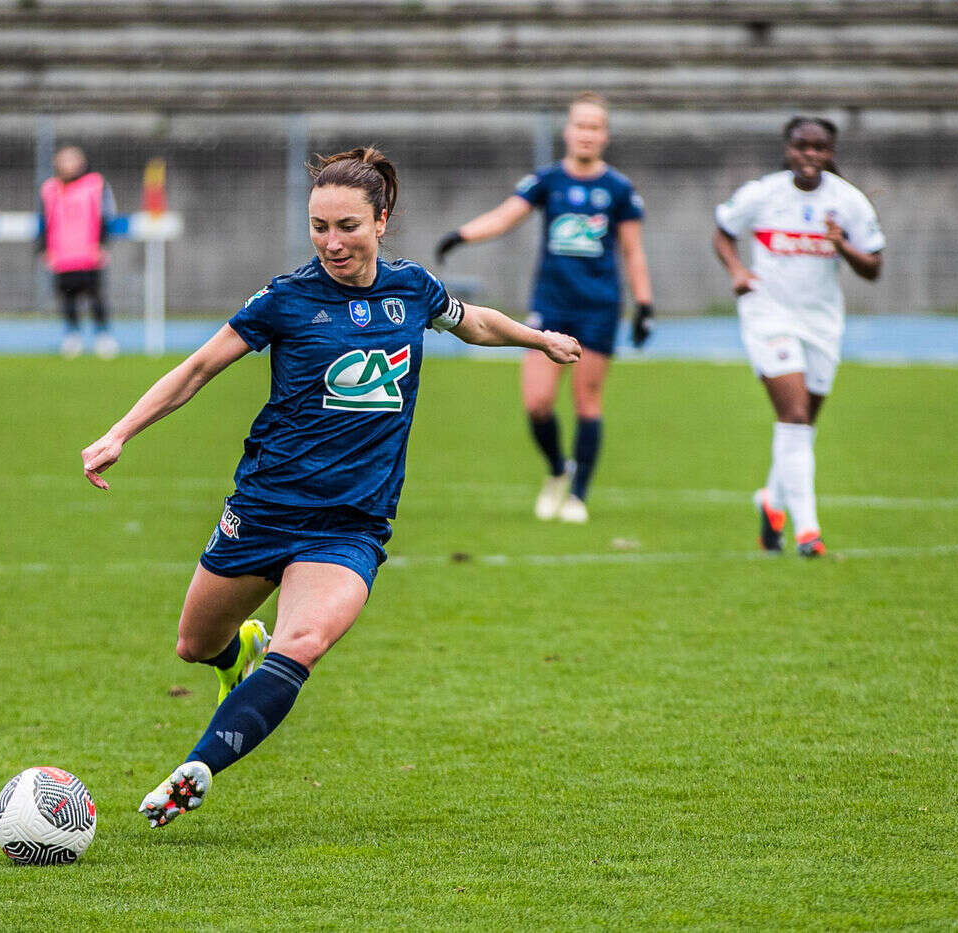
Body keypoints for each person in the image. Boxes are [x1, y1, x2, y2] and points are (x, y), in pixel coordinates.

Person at [80, 147, 581, 828]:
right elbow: (199, 367)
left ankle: (196, 769)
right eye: (319, 227)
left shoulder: (413, 289)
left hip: (351, 523)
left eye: (347, 226)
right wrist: (120, 432)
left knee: (304, 641)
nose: (332, 242)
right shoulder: (286, 299)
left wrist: (537, 338)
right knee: (195, 645)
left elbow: (472, 320)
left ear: (382, 221)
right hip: (264, 507)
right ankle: (238, 655)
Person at [435, 92, 655, 524]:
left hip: (599, 308)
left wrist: (644, 304)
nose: (587, 134)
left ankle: (577, 496)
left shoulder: (619, 189)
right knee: (537, 403)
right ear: (568, 131)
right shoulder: (547, 180)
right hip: (550, 306)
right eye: (580, 125)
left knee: (586, 402)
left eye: (595, 127)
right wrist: (460, 236)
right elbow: (503, 217)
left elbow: (633, 253)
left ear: (604, 135)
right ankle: (557, 469)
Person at [712, 117, 885, 557]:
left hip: (822, 322)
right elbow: (723, 233)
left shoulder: (849, 202)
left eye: (819, 148)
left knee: (803, 426)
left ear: (830, 153)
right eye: (801, 147)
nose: (809, 155)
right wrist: (737, 271)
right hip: (768, 315)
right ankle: (809, 532)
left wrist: (842, 245)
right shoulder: (762, 194)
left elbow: (874, 268)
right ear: (787, 149)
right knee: (792, 415)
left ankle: (772, 502)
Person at [38, 145, 119, 359]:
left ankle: (103, 336)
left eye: (73, 159)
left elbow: (106, 215)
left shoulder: (95, 184)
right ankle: (73, 337)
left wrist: (102, 244)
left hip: (88, 252)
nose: (69, 164)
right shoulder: (50, 189)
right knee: (67, 297)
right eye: (64, 160)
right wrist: (44, 248)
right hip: (63, 254)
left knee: (95, 295)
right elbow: (44, 221)